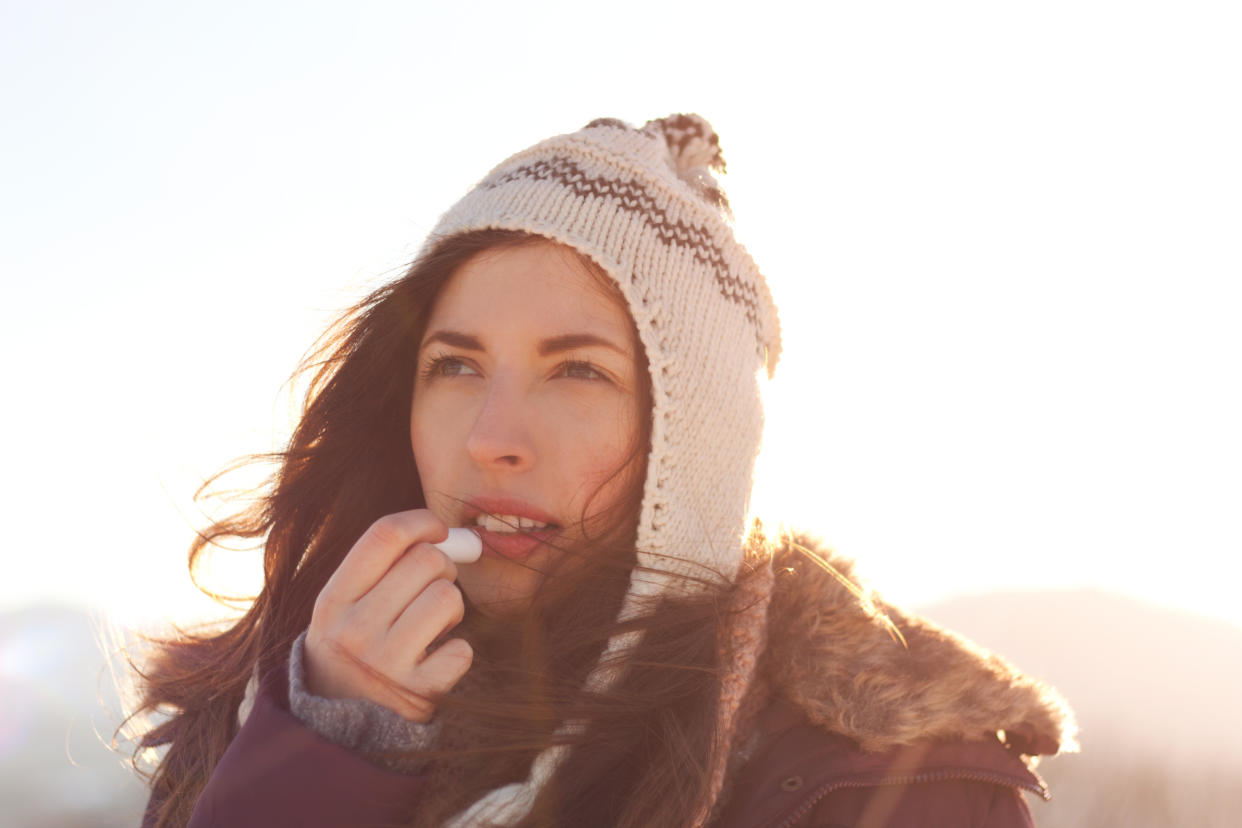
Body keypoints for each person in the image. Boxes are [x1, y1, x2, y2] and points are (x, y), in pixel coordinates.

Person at [131, 114, 1076, 828]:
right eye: (455, 365)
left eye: (578, 370)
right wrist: (330, 755)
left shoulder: (899, 790)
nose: (491, 438)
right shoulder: (259, 713)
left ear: (696, 440)